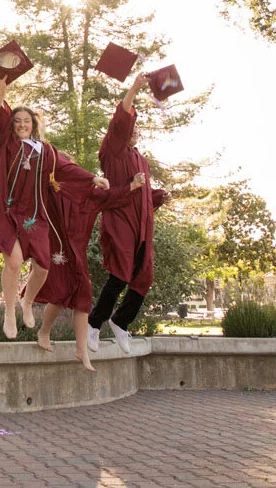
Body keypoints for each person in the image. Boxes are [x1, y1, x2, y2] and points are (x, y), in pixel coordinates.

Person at [0, 72, 109, 339]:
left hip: (34, 215)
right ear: (12, 125)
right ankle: (9, 311)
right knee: (13, 262)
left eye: (27, 121)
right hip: (7, 212)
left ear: (33, 124)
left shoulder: (46, 150)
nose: (22, 125)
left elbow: (66, 169)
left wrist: (93, 178)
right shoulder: (6, 143)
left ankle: (27, 302)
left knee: (44, 267)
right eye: (17, 121)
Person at [88, 73, 170, 353]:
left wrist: (159, 196)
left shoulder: (142, 160)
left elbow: (144, 197)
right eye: (130, 127)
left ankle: (120, 321)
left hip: (141, 227)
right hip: (120, 221)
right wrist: (134, 87)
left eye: (137, 129)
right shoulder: (114, 150)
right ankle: (93, 324)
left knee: (144, 277)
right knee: (121, 274)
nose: (134, 130)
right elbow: (121, 119)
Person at [36, 169, 147, 371]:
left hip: (78, 253)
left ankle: (82, 350)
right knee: (61, 293)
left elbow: (109, 197)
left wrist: (132, 186)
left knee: (83, 297)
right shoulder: (50, 191)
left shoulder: (88, 196)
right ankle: (44, 332)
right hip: (58, 251)